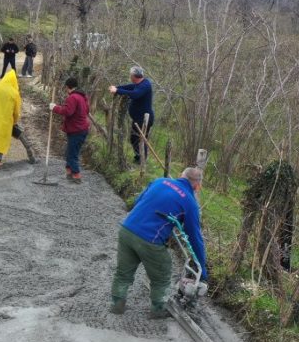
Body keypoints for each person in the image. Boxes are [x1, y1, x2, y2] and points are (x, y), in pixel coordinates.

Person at [109, 168, 208, 318]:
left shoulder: (160, 181)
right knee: (162, 274)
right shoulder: (190, 202)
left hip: (126, 230)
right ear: (197, 186)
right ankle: (158, 309)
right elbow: (194, 237)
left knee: (123, 272)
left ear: (181, 176)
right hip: (150, 240)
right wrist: (202, 269)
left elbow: (137, 201)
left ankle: (117, 304)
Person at [108, 66, 154, 163]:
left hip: (144, 119)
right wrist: (117, 88)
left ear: (134, 76)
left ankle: (142, 161)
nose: (130, 77)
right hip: (137, 118)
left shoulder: (145, 85)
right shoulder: (138, 83)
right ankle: (138, 157)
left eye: (130, 75)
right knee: (134, 138)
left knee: (141, 140)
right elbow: (128, 87)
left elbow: (135, 94)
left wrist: (117, 91)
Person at [49, 76, 90, 184]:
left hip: (77, 130)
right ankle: (69, 171)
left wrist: (54, 108)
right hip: (81, 128)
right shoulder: (83, 96)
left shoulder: (73, 97)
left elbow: (68, 111)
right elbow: (86, 111)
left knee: (72, 154)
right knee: (70, 151)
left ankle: (76, 175)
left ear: (67, 87)